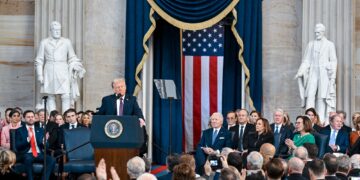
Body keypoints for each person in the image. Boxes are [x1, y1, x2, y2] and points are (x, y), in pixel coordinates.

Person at [34, 21, 86, 113]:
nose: (58, 32)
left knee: (66, 95)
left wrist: (75, 64)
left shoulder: (66, 42)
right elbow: (39, 60)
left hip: (63, 70)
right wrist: (40, 75)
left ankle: (66, 118)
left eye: (59, 30)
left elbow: (72, 57)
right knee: (50, 96)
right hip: (50, 70)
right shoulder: (44, 42)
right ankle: (52, 118)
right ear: (51, 30)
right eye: (55, 30)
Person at [295, 23, 337, 124]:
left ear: (323, 32)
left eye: (318, 32)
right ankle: (307, 120)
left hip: (324, 73)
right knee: (310, 95)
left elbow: (334, 61)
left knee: (321, 98)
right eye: (315, 32)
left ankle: (320, 121)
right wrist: (300, 71)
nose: (316, 34)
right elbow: (306, 60)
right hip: (313, 72)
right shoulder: (311, 44)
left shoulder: (329, 44)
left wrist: (332, 75)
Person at [15, 110, 55, 180]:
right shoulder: (19, 130)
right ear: (24, 118)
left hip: (39, 153)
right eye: (28, 117)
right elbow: (17, 146)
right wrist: (27, 141)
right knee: (28, 159)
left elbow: (47, 146)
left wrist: (44, 143)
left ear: (34, 118)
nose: (31, 118)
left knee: (51, 159)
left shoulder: (40, 130)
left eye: (32, 117)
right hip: (26, 153)